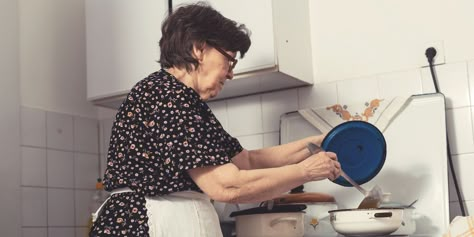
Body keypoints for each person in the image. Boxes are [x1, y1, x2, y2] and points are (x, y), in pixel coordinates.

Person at [89, 2, 341, 237]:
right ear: (199, 48)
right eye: (229, 60)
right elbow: (226, 186)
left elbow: (248, 162)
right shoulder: (167, 96)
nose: (231, 73)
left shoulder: (185, 102)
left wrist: (317, 143)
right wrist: (306, 171)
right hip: (147, 222)